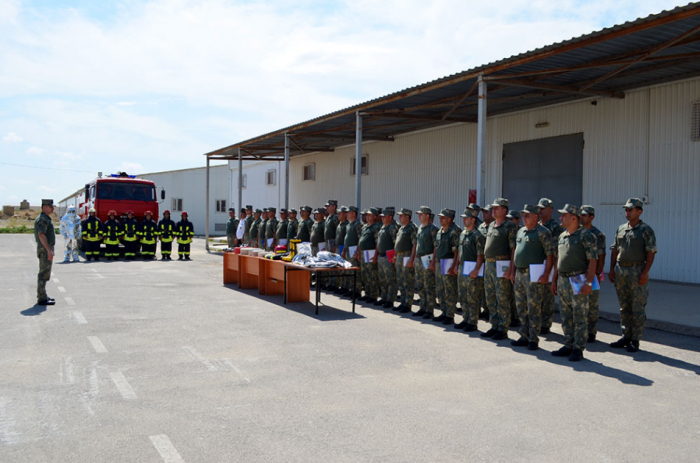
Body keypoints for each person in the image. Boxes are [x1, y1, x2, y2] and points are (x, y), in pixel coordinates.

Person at [609, 198, 657, 353]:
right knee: (624, 307)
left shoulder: (646, 230)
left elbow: (651, 253)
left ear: (639, 211)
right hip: (621, 270)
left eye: (630, 210)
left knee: (637, 307)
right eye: (626, 210)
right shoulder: (621, 229)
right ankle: (626, 336)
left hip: (637, 271)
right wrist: (611, 269)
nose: (627, 213)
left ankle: (635, 340)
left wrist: (645, 272)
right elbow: (615, 249)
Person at [551, 204, 597, 362]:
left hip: (578, 278)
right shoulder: (562, 236)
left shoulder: (586, 236)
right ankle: (568, 344)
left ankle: (578, 348)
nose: (560, 218)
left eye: (563, 215)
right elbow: (559, 259)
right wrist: (554, 280)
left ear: (574, 218)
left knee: (579, 315)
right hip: (563, 279)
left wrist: (589, 283)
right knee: (566, 315)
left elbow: (593, 260)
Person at [510, 205, 555, 350]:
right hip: (519, 273)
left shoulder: (543, 232)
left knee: (533, 307)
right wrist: (512, 271)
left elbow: (550, 255)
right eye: (523, 215)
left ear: (536, 217)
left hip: (534, 273)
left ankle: (533, 338)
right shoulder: (521, 231)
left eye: (527, 215)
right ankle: (524, 335)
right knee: (521, 306)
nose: (524, 218)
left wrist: (547, 273)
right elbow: (516, 252)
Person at [481, 198, 517, 340]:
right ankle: (494, 325)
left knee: (502, 297)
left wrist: (511, 269)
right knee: (490, 297)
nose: (493, 210)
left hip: (502, 264)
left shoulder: (509, 226)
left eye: (497, 208)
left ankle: (503, 328)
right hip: (489, 264)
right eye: (493, 208)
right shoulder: (491, 226)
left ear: (504, 210)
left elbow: (513, 249)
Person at [451, 207, 485, 332]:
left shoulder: (477, 236)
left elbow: (480, 255)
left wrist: (476, 269)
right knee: (463, 295)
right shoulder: (463, 234)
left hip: (472, 269)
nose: (464, 220)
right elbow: (460, 251)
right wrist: (456, 265)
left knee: (473, 296)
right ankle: (465, 318)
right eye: (464, 218)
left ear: (473, 219)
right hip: (462, 268)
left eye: (467, 218)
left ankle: (472, 321)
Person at [538, 198, 565, 335]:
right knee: (537, 293)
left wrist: (552, 270)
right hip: (537, 263)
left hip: (550, 262)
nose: (540, 210)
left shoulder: (555, 227)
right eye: (539, 208)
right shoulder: (536, 225)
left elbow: (556, 250)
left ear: (550, 210)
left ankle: (545, 323)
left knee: (547, 296)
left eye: (543, 208)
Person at [580, 205, 606, 342]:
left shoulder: (597, 235)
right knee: (579, 303)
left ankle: (591, 332)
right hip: (578, 273)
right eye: (581, 215)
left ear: (591, 217)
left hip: (592, 273)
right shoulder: (577, 232)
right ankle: (580, 330)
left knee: (592, 304)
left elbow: (601, 255)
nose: (581, 217)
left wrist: (596, 273)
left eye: (584, 215)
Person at [431, 209, 461, 325]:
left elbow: (457, 250)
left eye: (443, 217)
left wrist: (454, 265)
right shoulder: (440, 232)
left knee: (449, 290)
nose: (440, 219)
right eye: (440, 217)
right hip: (439, 263)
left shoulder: (455, 231)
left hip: (449, 263)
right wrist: (433, 262)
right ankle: (443, 312)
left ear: (450, 219)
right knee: (440, 289)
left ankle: (450, 315)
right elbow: (436, 248)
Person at [410, 206, 439, 318]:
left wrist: (432, 262)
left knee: (429, 285)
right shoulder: (420, 228)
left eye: (421, 214)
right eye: (419, 214)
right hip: (418, 258)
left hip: (428, 258)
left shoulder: (433, 229)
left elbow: (435, 246)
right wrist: (414, 259)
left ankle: (429, 309)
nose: (419, 216)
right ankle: (422, 306)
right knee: (421, 284)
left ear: (427, 216)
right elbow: (416, 244)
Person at [394, 208, 418, 313]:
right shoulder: (401, 228)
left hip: (407, 256)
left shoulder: (412, 228)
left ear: (407, 217)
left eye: (401, 216)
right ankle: (403, 301)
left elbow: (414, 244)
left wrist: (412, 259)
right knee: (400, 280)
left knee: (408, 281)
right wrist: (395, 257)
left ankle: (408, 304)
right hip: (399, 256)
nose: (399, 217)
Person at [376, 207, 399, 309]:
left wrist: (395, 257)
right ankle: (383, 297)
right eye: (382, 217)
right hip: (381, 256)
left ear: (390, 217)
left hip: (389, 257)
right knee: (382, 279)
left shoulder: (393, 227)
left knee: (391, 279)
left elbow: (396, 244)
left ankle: (390, 300)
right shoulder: (383, 227)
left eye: (384, 217)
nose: (382, 219)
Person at [34, 199, 56, 305]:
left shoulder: (45, 218)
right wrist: (48, 250)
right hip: (44, 250)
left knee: (45, 274)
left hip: (45, 249)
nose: (52, 208)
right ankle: (41, 298)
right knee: (43, 274)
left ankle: (43, 295)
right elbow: (41, 235)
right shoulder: (42, 219)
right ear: (44, 207)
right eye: (50, 206)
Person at [357, 207, 381, 303]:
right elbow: (360, 240)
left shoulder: (376, 227)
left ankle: (373, 295)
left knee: (372, 275)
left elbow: (377, 243)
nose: (367, 217)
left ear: (374, 216)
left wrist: (375, 255)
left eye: (370, 215)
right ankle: (367, 293)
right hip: (363, 253)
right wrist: (358, 252)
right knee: (365, 274)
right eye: (367, 215)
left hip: (371, 253)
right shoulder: (365, 227)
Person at [476, 204, 494, 320]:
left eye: (486, 212)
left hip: (490, 261)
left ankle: (490, 311)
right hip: (480, 260)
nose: (484, 214)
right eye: (483, 212)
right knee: (482, 287)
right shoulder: (480, 227)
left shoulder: (493, 227)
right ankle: (484, 308)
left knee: (490, 288)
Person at [342, 206, 363, 298]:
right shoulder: (348, 224)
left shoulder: (357, 224)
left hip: (354, 250)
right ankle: (351, 289)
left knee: (355, 271)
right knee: (349, 271)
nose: (346, 214)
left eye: (348, 212)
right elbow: (346, 240)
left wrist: (358, 251)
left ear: (354, 213)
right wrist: (343, 251)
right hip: (347, 250)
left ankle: (357, 291)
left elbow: (360, 238)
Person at [323, 200, 340, 291]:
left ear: (334, 207)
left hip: (333, 242)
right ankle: (330, 282)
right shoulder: (329, 217)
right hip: (328, 241)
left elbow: (338, 232)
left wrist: (335, 244)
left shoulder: (336, 217)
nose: (327, 208)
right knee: (329, 262)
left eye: (329, 206)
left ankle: (335, 284)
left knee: (333, 262)